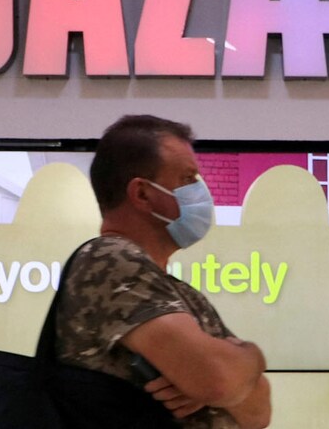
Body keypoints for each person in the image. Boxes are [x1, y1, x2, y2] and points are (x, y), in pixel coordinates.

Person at [55, 115, 272, 429]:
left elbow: (258, 413)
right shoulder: (111, 259)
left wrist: (218, 381)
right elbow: (219, 380)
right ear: (142, 194)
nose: (200, 191)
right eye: (187, 178)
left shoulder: (180, 292)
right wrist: (251, 359)